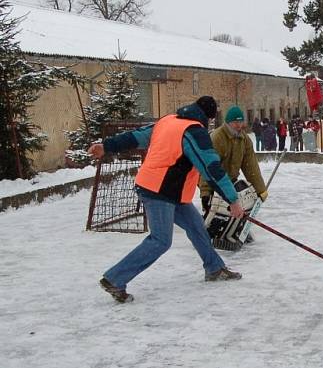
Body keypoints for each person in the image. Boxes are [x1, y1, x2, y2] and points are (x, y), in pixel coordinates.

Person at [88, 96, 244, 303]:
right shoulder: (194, 132)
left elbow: (136, 137)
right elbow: (211, 168)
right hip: (158, 191)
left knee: (197, 226)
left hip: (169, 191)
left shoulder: (169, 120)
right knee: (161, 240)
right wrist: (232, 199)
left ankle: (214, 268)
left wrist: (106, 146)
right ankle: (115, 279)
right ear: (209, 117)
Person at [199, 105, 269, 222]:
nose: (239, 125)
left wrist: (260, 190)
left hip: (230, 182)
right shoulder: (217, 138)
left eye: (241, 121)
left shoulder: (244, 140)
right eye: (235, 122)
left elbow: (251, 167)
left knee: (234, 212)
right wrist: (205, 192)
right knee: (214, 216)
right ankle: (208, 235)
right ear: (228, 122)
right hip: (213, 182)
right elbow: (208, 167)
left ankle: (234, 232)